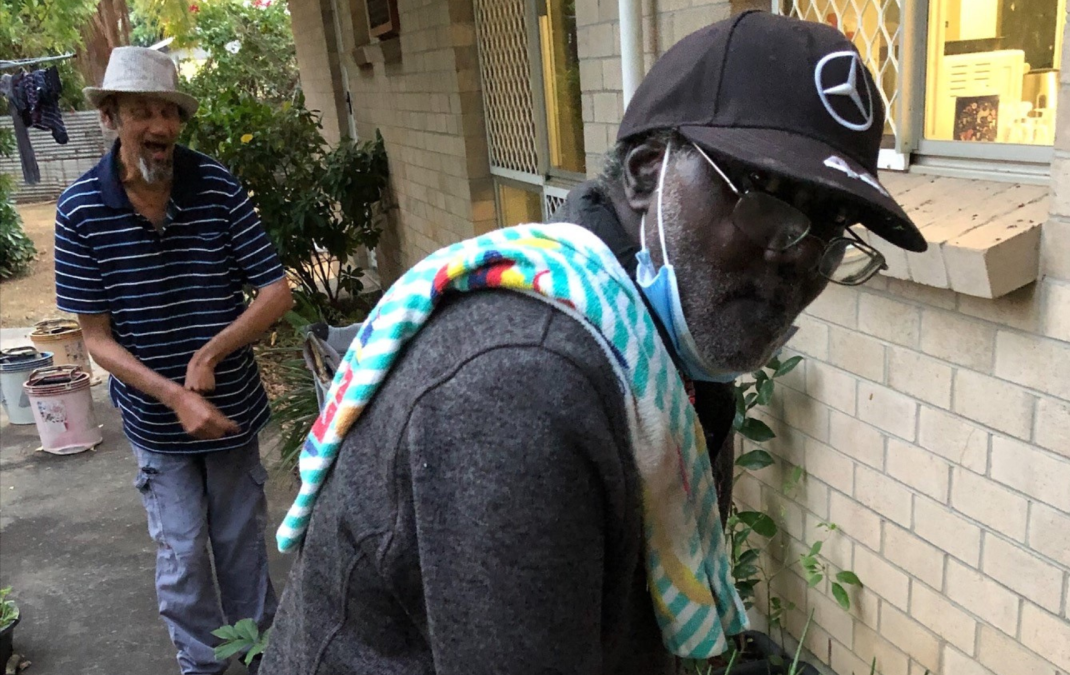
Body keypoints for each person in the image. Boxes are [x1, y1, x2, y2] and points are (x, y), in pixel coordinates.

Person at [263, 12, 926, 674]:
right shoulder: (521, 386)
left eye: (834, 233)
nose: (801, 262)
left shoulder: (658, 352)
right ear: (645, 173)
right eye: (770, 206)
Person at [53, 47, 293, 675]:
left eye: (168, 112)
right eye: (141, 112)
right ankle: (202, 667)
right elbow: (97, 339)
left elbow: (275, 291)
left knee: (241, 543)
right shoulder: (79, 209)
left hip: (233, 407)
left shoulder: (215, 184)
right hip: (157, 421)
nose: (158, 127)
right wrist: (175, 394)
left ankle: (257, 657)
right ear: (111, 116)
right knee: (184, 551)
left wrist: (213, 351)